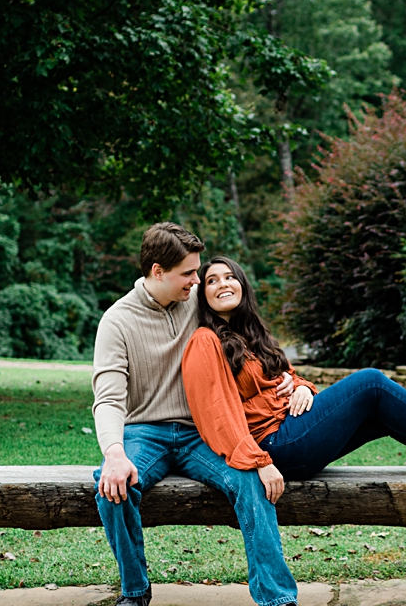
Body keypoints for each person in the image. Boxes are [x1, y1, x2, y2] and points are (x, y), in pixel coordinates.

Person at [181, 255, 406, 492]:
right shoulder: (205, 342)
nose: (222, 284)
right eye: (211, 280)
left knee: (383, 412)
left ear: (242, 286)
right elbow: (217, 416)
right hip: (276, 447)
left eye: (229, 277)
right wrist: (258, 463)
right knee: (371, 382)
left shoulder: (253, 335)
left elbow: (287, 377)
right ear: (204, 295)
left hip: (291, 433)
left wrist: (302, 388)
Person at [92, 224, 299, 606]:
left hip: (201, 434)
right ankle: (135, 592)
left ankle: (278, 599)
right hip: (144, 433)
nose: (197, 280)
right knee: (112, 488)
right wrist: (114, 454)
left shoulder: (198, 303)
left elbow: (251, 340)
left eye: (197, 271)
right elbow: (108, 399)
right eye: (188, 273)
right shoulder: (117, 321)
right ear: (158, 271)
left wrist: (291, 379)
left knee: (251, 481)